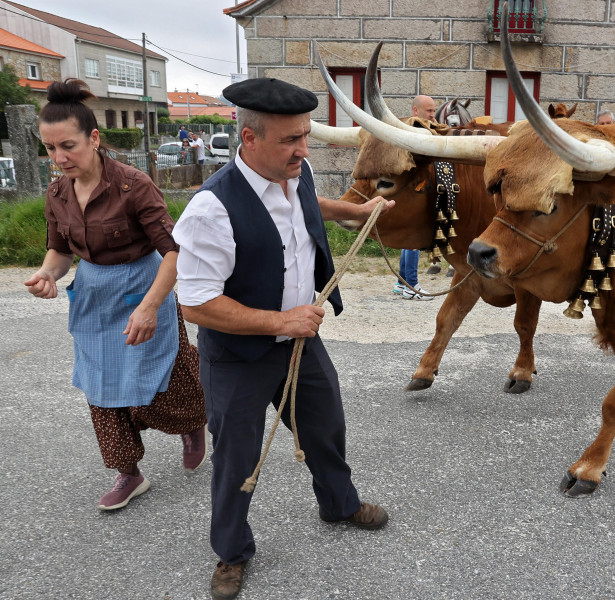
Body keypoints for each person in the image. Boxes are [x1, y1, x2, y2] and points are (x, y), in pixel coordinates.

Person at [171, 77, 395, 600]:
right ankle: (231, 552)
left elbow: (307, 206)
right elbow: (195, 303)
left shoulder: (298, 172)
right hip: (238, 355)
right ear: (249, 139)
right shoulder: (211, 209)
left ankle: (338, 505)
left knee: (324, 428)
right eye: (290, 140)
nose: (302, 149)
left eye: (304, 136)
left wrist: (355, 211)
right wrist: (282, 322)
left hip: (299, 342)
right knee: (237, 457)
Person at [24, 79, 207, 511]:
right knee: (99, 382)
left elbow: (174, 253)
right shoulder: (57, 193)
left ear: (94, 138)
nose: (59, 158)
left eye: (67, 145)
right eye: (49, 148)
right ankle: (128, 471)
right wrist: (48, 274)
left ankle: (193, 423)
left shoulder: (133, 184)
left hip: (146, 285)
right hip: (93, 293)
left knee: (168, 373)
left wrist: (150, 307)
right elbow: (60, 251)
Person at [396, 95, 442, 295]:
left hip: (416, 191)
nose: (433, 115)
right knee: (414, 238)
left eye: (434, 110)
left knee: (408, 240)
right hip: (414, 192)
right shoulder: (415, 130)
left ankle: (401, 283)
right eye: (429, 111)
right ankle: (411, 285)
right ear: (416, 111)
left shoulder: (423, 129)